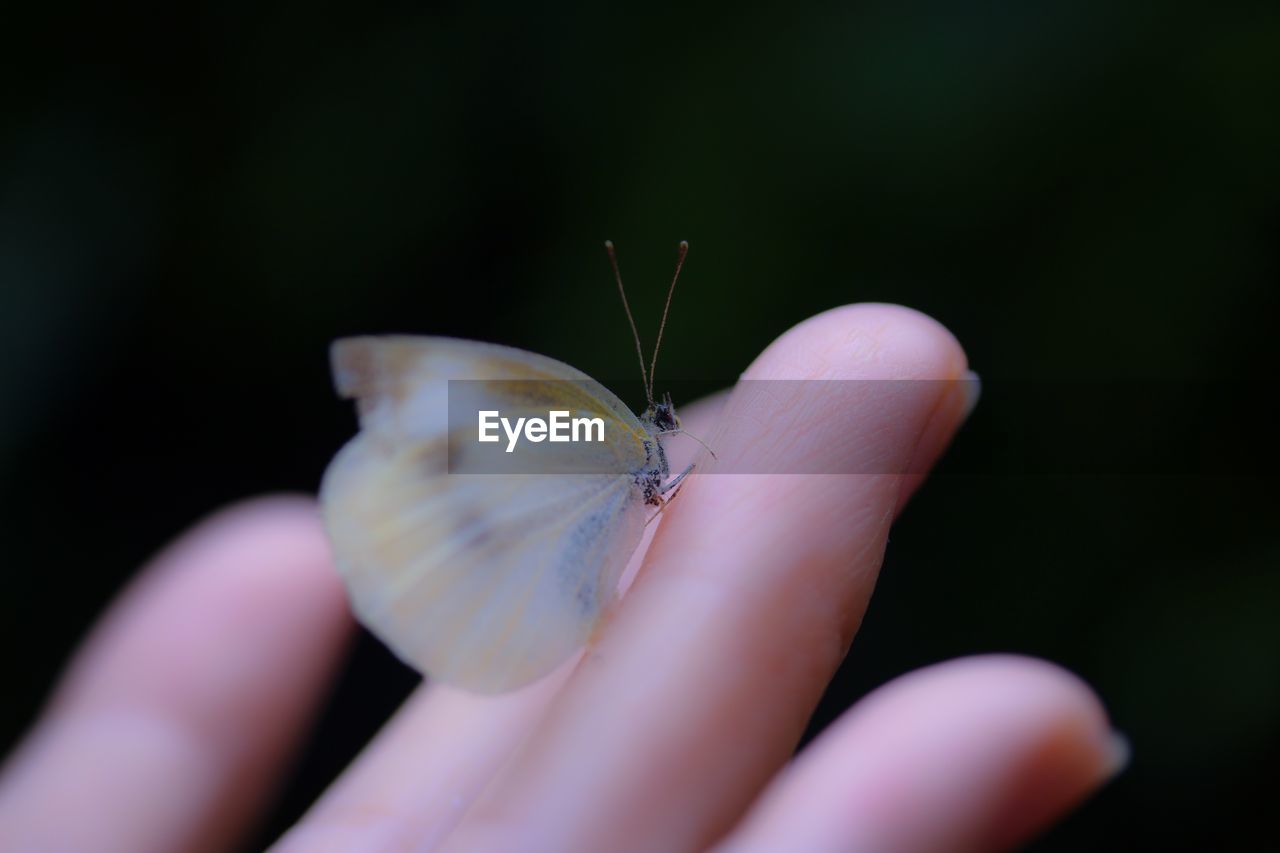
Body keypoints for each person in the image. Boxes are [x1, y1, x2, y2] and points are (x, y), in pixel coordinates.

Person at [0, 304, 1126, 852]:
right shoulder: (588, 431)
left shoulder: (622, 447)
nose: (659, 431)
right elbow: (448, 420)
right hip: (481, 553)